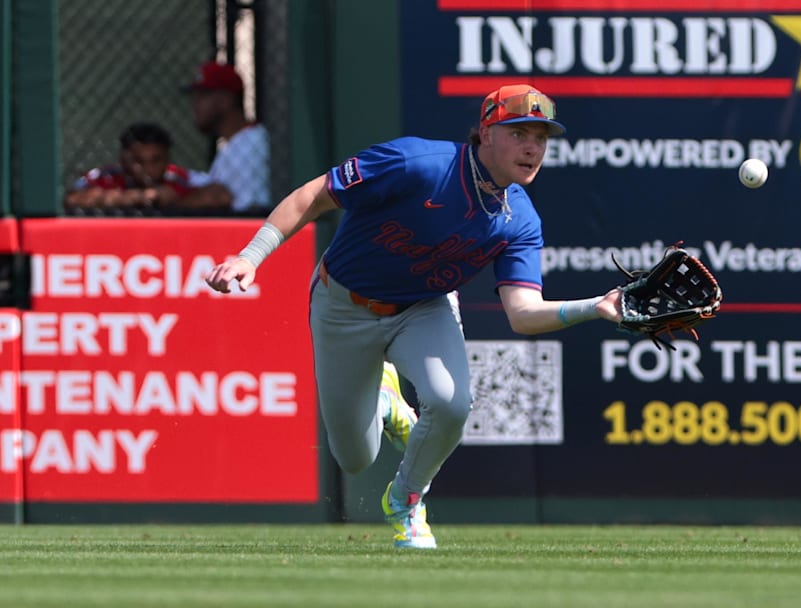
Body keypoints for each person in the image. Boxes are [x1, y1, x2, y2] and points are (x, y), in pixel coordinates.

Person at [204, 84, 623, 549]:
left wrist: (595, 309)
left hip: (425, 306)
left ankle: (405, 501)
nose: (532, 147)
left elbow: (523, 315)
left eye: (541, 137)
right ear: (485, 133)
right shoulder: (416, 164)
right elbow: (314, 196)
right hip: (344, 306)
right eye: (518, 132)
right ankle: (385, 403)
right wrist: (250, 256)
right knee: (356, 457)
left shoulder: (520, 218)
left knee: (451, 403)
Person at [179, 61, 270, 215]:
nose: (195, 105)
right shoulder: (234, 143)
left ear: (225, 99)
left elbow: (252, 210)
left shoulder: (251, 143)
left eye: (202, 96)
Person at [64, 122, 194, 215]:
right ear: (123, 159)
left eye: (156, 160)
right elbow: (71, 198)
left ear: (167, 159)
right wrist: (133, 197)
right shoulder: (106, 176)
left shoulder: (180, 177)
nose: (148, 168)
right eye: (139, 160)